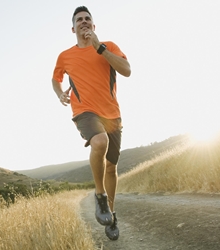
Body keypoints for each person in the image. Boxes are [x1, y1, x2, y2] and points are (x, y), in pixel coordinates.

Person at [51, 6, 131, 240]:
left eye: (88, 19)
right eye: (79, 20)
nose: (84, 22)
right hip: (84, 111)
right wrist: (59, 93)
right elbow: (55, 79)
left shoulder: (109, 46)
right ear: (73, 27)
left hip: (112, 114)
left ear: (93, 26)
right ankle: (99, 196)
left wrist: (100, 48)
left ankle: (111, 213)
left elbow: (126, 70)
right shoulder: (65, 56)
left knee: (111, 166)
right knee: (99, 142)